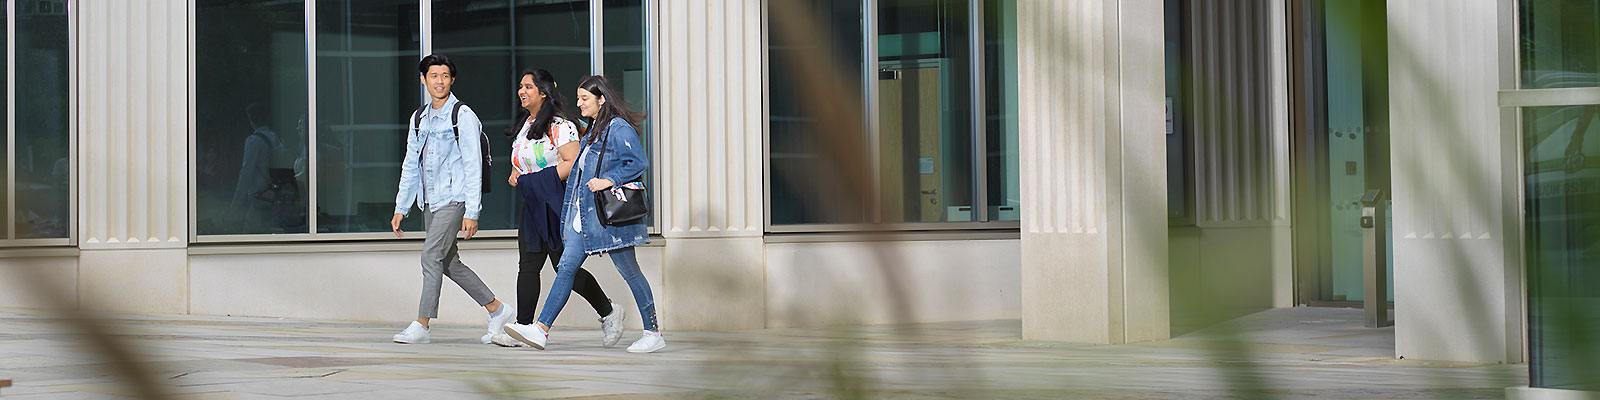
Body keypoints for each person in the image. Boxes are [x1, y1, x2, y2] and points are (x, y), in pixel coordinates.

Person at [503, 75, 663, 353]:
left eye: (584, 99)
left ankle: (653, 332)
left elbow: (638, 162)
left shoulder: (618, 128)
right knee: (565, 268)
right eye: (577, 98)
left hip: (610, 216)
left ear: (602, 99)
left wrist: (609, 180)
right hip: (585, 215)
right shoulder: (591, 131)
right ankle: (541, 330)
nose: (578, 103)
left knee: (630, 272)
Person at [490, 68, 625, 348]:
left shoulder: (561, 125)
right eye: (520, 87)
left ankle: (609, 312)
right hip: (533, 204)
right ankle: (523, 327)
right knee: (528, 266)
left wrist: (531, 180)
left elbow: (572, 162)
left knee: (566, 267)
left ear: (543, 92)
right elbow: (524, 163)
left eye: (528, 86)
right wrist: (517, 175)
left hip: (559, 204)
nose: (521, 91)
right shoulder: (525, 125)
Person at [390, 54, 514, 345]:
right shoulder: (419, 118)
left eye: (445, 76)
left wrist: (473, 211)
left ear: (452, 80)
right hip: (430, 200)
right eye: (434, 75)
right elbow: (411, 164)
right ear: (424, 79)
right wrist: (401, 206)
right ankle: (497, 309)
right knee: (448, 262)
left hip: (455, 198)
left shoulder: (463, 115)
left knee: (430, 255)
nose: (439, 81)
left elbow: (473, 165)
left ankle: (422, 325)